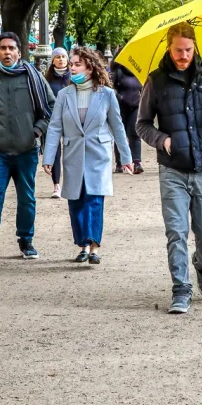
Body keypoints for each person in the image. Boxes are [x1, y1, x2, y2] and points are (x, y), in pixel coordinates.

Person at [136, 21, 202, 314]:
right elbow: (141, 125)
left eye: (188, 50)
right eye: (178, 50)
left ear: (195, 47)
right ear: (169, 48)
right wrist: (161, 139)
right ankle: (181, 289)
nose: (183, 56)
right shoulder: (156, 80)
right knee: (176, 231)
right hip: (173, 168)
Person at [0, 32, 56, 265]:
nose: (7, 52)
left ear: (19, 52)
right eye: (3, 48)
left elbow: (50, 108)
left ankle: (26, 241)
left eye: (11, 48)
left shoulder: (33, 77)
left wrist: (36, 130)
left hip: (27, 150)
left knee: (26, 198)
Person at [43, 47, 134, 264]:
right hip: (73, 153)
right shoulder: (64, 95)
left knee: (94, 199)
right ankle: (82, 245)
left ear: (90, 67)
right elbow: (55, 127)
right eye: (71, 64)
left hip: (98, 153)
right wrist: (48, 156)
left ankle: (93, 247)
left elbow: (117, 127)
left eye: (77, 64)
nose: (72, 68)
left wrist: (127, 157)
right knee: (76, 199)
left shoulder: (107, 94)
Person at [110, 50, 145, 174]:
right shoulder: (117, 72)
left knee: (134, 133)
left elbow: (144, 88)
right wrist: (120, 97)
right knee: (120, 134)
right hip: (120, 107)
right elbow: (111, 88)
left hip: (135, 106)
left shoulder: (139, 72)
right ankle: (120, 163)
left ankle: (136, 162)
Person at [44, 47, 72, 198]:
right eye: (58, 57)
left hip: (71, 119)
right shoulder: (46, 80)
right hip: (53, 119)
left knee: (71, 150)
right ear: (53, 60)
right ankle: (56, 185)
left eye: (63, 56)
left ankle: (71, 183)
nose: (61, 59)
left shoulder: (74, 77)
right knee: (54, 152)